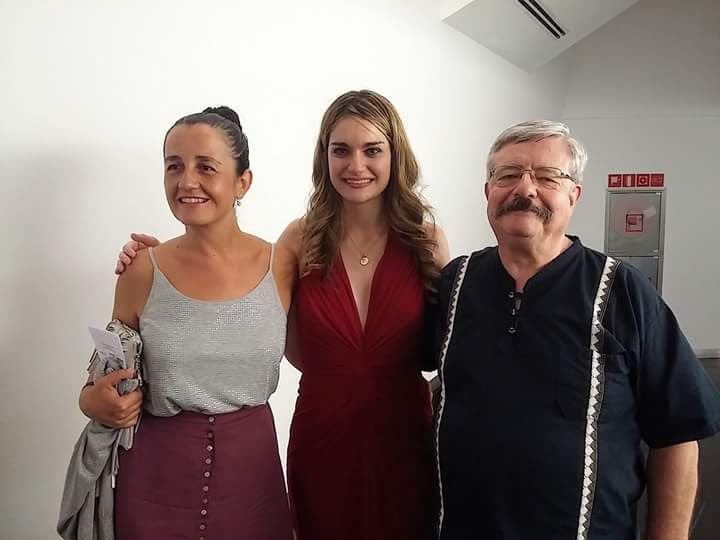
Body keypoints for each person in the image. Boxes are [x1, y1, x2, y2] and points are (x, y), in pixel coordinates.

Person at [107, 90, 448, 539]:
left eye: (372, 150)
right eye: (340, 150)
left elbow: (446, 350)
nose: (356, 165)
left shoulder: (427, 242)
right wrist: (162, 263)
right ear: (324, 156)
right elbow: (246, 304)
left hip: (406, 437)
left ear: (395, 155)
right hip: (322, 434)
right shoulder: (299, 241)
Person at [432, 120, 720, 539]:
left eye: (547, 177)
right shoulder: (455, 284)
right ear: (488, 190)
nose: (525, 189)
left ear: (574, 195)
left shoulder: (621, 290)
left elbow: (677, 433)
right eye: (508, 175)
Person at [80, 106, 294, 539]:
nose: (186, 181)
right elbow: (103, 377)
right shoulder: (142, 270)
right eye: (174, 166)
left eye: (206, 167)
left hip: (253, 485)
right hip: (152, 483)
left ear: (243, 182)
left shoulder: (286, 264)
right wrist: (92, 402)